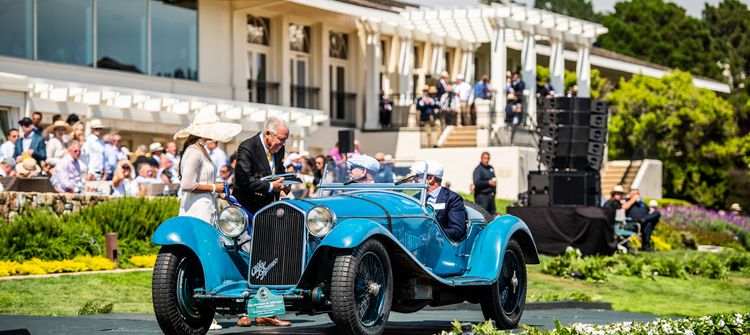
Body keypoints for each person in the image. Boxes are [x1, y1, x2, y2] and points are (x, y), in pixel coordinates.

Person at [233, 116, 292, 327]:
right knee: (245, 258)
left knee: (270, 259)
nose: (282, 144)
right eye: (281, 140)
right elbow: (243, 180)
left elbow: (279, 172)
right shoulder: (247, 147)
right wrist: (270, 187)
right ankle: (243, 312)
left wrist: (285, 184)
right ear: (268, 134)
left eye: (285, 141)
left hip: (269, 210)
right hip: (246, 209)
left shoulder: (278, 149)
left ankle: (267, 312)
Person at [410, 160, 466, 241]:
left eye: (417, 176)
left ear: (430, 178)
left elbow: (457, 231)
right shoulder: (414, 198)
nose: (413, 179)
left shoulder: (452, 199)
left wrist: (431, 234)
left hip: (440, 248)